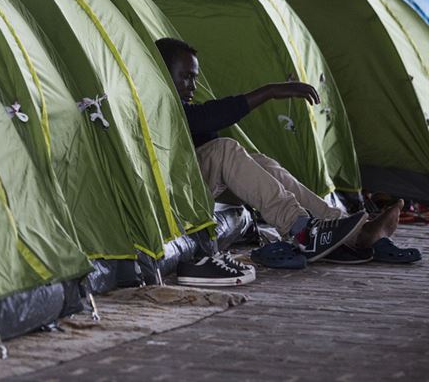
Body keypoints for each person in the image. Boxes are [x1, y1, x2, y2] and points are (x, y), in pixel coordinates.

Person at [155, 38, 415, 282]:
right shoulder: (154, 100)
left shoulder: (180, 107)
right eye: (186, 77)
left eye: (195, 78)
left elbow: (202, 123)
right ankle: (301, 229)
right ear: (164, 74)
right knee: (225, 149)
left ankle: (351, 230)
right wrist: (269, 91)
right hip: (171, 192)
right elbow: (203, 119)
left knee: (263, 164)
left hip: (191, 184)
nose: (193, 86)